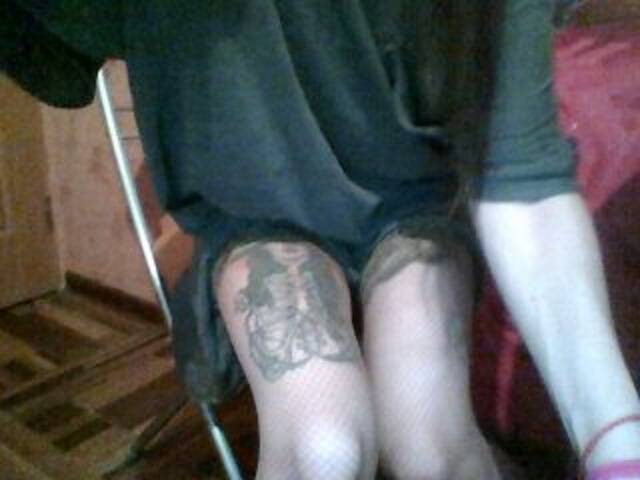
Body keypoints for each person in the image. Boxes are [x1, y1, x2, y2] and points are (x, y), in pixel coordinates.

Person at [3, 0, 640, 478]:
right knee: (321, 450)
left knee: (431, 451)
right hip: (253, 216)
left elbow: (524, 181)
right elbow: (54, 58)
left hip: (413, 210)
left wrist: (618, 446)